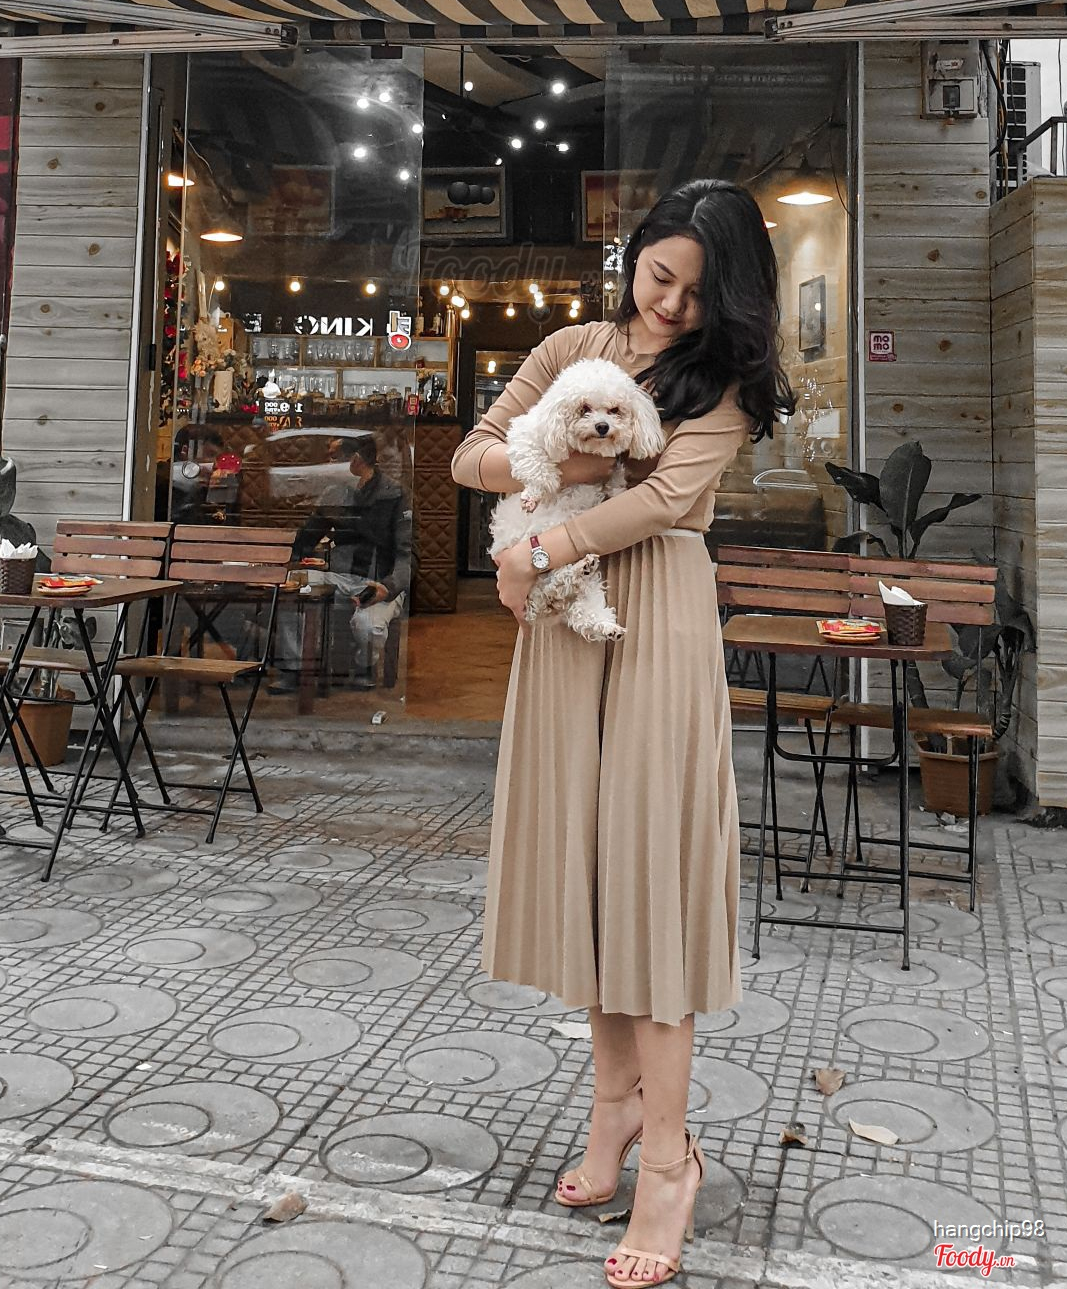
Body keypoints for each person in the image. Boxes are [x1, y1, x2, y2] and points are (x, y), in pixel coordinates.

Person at [452, 181, 794, 1288]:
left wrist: (533, 550)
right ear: (634, 255)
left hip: (654, 617)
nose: (673, 305)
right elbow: (470, 455)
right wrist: (560, 470)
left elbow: (660, 506)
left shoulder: (722, 385)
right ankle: (612, 1111)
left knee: (651, 882)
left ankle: (670, 1160)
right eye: (660, 277)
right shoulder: (570, 348)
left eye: (698, 292)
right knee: (591, 874)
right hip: (566, 629)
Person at [291, 435, 412, 688]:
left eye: (334, 458)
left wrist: (389, 586)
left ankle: (364, 663)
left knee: (369, 627)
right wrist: (287, 564)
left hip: (378, 579)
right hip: (339, 575)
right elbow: (307, 537)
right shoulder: (335, 492)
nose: (328, 464)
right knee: (291, 591)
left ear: (355, 460)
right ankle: (292, 668)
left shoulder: (394, 495)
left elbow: (407, 554)